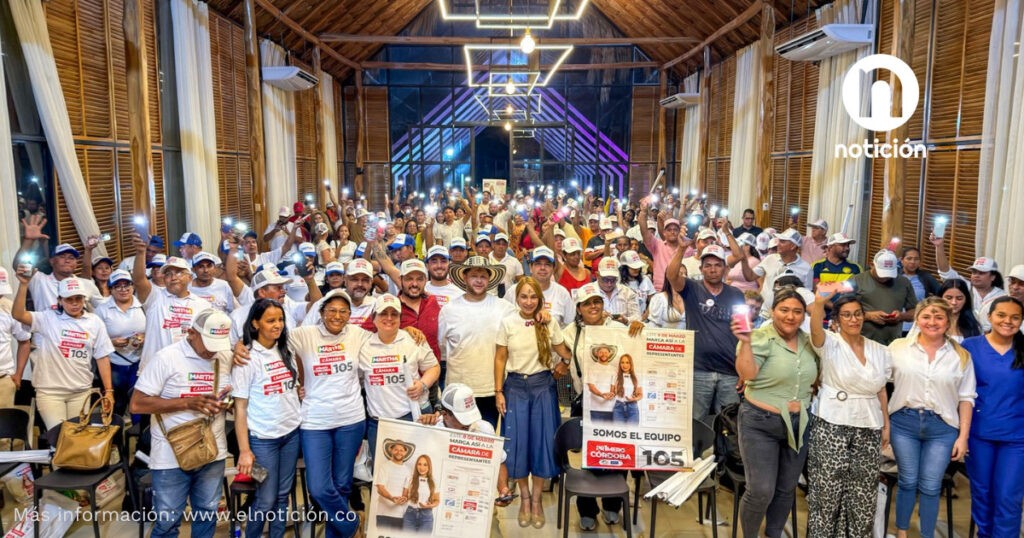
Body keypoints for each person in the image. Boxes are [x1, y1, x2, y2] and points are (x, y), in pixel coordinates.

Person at [129, 310, 232, 538]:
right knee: (167, 522)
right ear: (191, 333)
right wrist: (186, 403)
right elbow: (136, 404)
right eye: (208, 343)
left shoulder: (225, 356)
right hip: (170, 455)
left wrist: (226, 403)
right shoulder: (166, 358)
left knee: (207, 513)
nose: (212, 350)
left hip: (212, 450)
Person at [733, 287, 818, 538]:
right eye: (784, 310)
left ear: (804, 315)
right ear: (772, 311)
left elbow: (817, 377)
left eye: (797, 311)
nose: (790, 316)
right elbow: (747, 375)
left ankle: (774, 533)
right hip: (760, 422)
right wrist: (745, 342)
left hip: (799, 423)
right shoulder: (759, 337)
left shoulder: (808, 341)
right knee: (761, 490)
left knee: (786, 488)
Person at [887, 297, 976, 538]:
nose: (932, 322)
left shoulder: (961, 356)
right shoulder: (898, 348)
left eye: (938, 317)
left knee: (930, 485)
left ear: (948, 321)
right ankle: (902, 532)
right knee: (907, 480)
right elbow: (879, 383)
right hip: (903, 423)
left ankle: (927, 534)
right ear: (917, 319)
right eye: (926, 316)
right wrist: (883, 423)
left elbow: (967, 398)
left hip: (942, 428)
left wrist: (963, 437)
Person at [806, 292, 892, 538]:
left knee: (863, 493)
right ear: (837, 319)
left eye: (857, 314)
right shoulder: (830, 343)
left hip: (869, 423)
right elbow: (815, 330)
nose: (853, 319)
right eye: (846, 315)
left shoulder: (880, 350)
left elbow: (881, 390)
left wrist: (886, 424)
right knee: (827, 491)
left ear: (864, 316)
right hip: (831, 422)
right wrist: (819, 302)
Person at [561, 282, 644, 530]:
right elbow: (558, 352)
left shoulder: (618, 329)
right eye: (587, 303)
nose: (593, 307)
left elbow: (639, 349)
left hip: (617, 402)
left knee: (617, 454)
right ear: (578, 308)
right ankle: (587, 509)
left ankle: (612, 505)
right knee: (589, 458)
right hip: (586, 402)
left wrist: (641, 329)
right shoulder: (570, 332)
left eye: (597, 301)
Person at [494, 277, 572, 529]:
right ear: (516, 298)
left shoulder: (549, 322)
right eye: (524, 296)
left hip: (542, 386)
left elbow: (565, 351)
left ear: (540, 298)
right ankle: (524, 499)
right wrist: (498, 391)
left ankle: (537, 501)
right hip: (515, 387)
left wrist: (565, 363)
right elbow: (500, 358)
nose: (528, 302)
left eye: (533, 297)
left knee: (541, 444)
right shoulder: (508, 322)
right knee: (516, 445)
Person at [231, 298, 302, 538]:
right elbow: (240, 408)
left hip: (291, 433)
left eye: (280, 319)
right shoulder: (247, 357)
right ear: (255, 323)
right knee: (265, 499)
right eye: (270, 320)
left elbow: (292, 385)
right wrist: (244, 450)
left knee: (282, 496)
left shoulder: (286, 349)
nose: (277, 325)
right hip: (263, 439)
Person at [12, 275, 114, 429]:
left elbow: (102, 357)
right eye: (69, 299)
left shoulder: (94, 322)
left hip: (81, 390)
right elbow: (18, 314)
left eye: (78, 298)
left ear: (84, 299)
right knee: (58, 435)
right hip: (50, 392)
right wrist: (23, 284)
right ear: (60, 300)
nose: (74, 303)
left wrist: (109, 391)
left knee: (76, 436)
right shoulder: (48, 318)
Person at [962, 297, 1024, 538]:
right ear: (989, 317)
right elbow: (960, 391)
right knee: (982, 494)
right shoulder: (970, 346)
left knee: (1008, 496)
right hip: (979, 434)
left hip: (1017, 437)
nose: (1008, 321)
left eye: (1015, 317)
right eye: (1001, 315)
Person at [667, 243, 748, 424]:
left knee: (730, 423)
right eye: (708, 265)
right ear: (701, 269)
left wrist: (743, 370)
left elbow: (743, 333)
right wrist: (681, 249)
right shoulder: (691, 288)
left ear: (725, 268)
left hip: (730, 371)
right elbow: (671, 276)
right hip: (699, 369)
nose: (713, 269)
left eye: (718, 265)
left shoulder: (736, 294)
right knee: (696, 421)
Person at [438, 256, 516, 426]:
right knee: (456, 439)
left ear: (489, 279)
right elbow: (442, 348)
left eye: (483, 276)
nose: (479, 281)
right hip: (458, 390)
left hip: (492, 389)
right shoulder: (449, 310)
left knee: (487, 436)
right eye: (474, 276)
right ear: (464, 277)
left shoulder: (505, 308)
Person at [358, 293, 439, 455]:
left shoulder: (413, 339)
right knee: (381, 469)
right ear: (373, 318)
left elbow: (434, 367)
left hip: (413, 416)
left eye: (394, 314)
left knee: (416, 465)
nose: (389, 318)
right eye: (383, 313)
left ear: (400, 318)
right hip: (379, 422)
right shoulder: (363, 345)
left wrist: (422, 384)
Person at [132, 233, 213, 369]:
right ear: (164, 279)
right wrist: (141, 252)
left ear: (190, 278)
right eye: (168, 274)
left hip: (188, 368)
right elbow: (139, 280)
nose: (173, 277)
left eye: (179, 273)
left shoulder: (203, 305)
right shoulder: (155, 297)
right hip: (155, 369)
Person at [94, 270, 146, 416]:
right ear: (110, 289)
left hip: (139, 363)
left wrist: (144, 338)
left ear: (133, 286)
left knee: (139, 406)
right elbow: (95, 340)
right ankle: (115, 429)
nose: (123, 289)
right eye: (118, 286)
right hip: (113, 365)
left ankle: (138, 430)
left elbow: (155, 331)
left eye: (126, 285)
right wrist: (111, 342)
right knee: (115, 406)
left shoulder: (143, 306)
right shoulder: (102, 310)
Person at [932, 233, 1006, 331]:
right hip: (964, 332)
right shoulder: (964, 286)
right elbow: (945, 271)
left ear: (993, 277)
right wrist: (939, 246)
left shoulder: (1002, 296)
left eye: (981, 273)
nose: (976, 275)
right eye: (974, 272)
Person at [849, 250, 917, 345]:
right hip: (861, 341)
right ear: (872, 265)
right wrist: (868, 316)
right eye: (882, 273)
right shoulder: (856, 281)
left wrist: (901, 316)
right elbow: (842, 311)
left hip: (893, 343)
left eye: (889, 274)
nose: (886, 277)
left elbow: (915, 312)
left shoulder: (904, 282)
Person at [0, 268, 31, 407]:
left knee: (3, 420)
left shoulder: (10, 308)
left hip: (3, 380)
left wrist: (18, 374)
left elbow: (24, 341)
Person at [638, 198, 684, 291]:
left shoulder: (686, 248)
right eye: (669, 230)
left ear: (679, 232)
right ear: (664, 233)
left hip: (680, 289)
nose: (672, 232)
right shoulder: (657, 245)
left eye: (675, 229)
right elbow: (644, 232)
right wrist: (643, 212)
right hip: (660, 289)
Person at [375, 438, 414, 529]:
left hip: (399, 515)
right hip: (383, 513)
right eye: (396, 449)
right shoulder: (384, 467)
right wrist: (392, 498)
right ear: (391, 450)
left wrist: (404, 498)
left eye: (401, 450)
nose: (398, 452)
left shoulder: (408, 471)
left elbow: (406, 492)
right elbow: (380, 489)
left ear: (405, 452)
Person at [594, 257, 642, 324]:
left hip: (622, 329)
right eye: (605, 279)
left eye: (613, 280)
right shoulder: (588, 292)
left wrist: (626, 320)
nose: (609, 284)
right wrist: (596, 317)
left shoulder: (627, 292)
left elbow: (637, 318)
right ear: (597, 275)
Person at [402, 454, 439, 533]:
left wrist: (430, 506)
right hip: (410, 515)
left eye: (425, 465)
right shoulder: (410, 479)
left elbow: (437, 500)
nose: (422, 467)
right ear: (416, 465)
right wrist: (403, 498)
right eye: (419, 464)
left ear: (429, 466)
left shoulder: (434, 481)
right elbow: (404, 496)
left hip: (426, 517)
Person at [611, 354, 640, 424]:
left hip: (632, 408)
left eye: (627, 362)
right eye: (622, 362)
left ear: (631, 364)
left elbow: (640, 394)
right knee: (618, 431)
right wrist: (609, 395)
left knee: (632, 430)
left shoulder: (636, 377)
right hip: (618, 408)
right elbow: (612, 392)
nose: (625, 365)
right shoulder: (615, 376)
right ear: (620, 364)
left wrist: (634, 399)